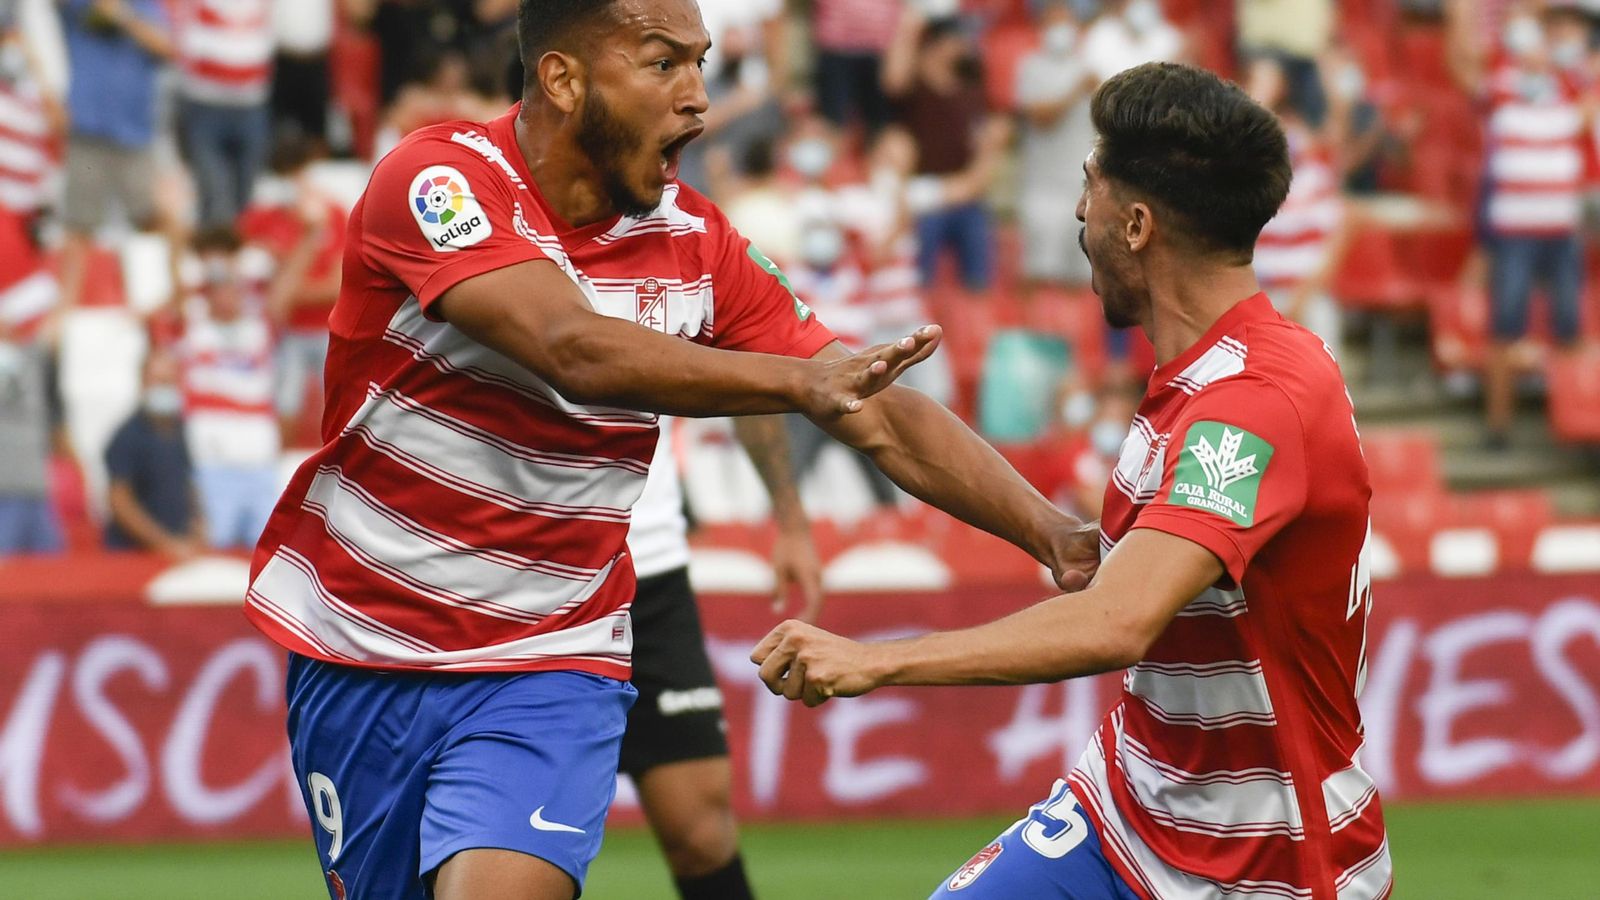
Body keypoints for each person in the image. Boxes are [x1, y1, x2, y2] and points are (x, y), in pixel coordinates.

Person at [241, 3, 1097, 900]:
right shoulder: (439, 181)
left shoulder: (697, 241)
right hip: (362, 648)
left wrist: (1051, 533)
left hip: (553, 657)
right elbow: (573, 348)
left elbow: (873, 408)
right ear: (565, 80)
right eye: (662, 66)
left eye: (701, 65)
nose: (697, 100)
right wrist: (794, 383)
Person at [753, 63, 1391, 900]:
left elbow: (1118, 621)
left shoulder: (1253, 404)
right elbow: (892, 426)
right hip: (1129, 806)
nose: (1076, 213)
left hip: (1264, 862)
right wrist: (1055, 536)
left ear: (1135, 224)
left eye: (1088, 187)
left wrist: (873, 662)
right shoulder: (1199, 374)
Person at [621, 413, 822, 900]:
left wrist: (791, 521)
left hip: (651, 573)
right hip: (525, 584)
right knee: (522, 851)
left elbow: (748, 374)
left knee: (702, 836)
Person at [104, 347, 205, 558]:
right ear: (143, 383)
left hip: (178, 552)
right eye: (158, 382)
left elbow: (187, 483)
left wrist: (198, 528)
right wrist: (165, 544)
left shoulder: (179, 430)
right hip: (135, 556)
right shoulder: (127, 436)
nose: (164, 389)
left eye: (169, 382)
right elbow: (120, 502)